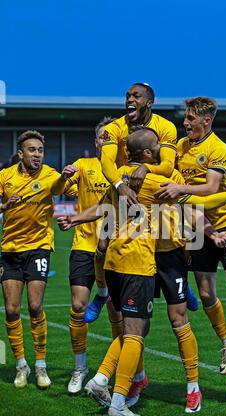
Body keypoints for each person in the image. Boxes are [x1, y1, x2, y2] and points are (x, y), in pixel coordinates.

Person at [58, 128, 226, 416]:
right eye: (158, 145)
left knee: (166, 320)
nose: (164, 148)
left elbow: (104, 209)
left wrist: (207, 234)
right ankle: (122, 389)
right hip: (140, 259)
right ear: (147, 152)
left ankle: (189, 386)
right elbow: (200, 204)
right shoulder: (158, 181)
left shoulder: (121, 179)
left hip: (152, 256)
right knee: (137, 330)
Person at [154, 97, 226, 373]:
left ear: (206, 121)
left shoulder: (218, 148)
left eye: (191, 119)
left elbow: (211, 189)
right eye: (185, 118)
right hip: (196, 227)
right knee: (206, 295)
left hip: (225, 224)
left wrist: (180, 191)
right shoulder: (180, 147)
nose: (185, 123)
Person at [89, 83, 199, 318]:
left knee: (178, 238)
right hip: (120, 193)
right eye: (128, 95)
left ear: (148, 102)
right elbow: (106, 162)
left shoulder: (165, 127)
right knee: (101, 247)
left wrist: (146, 168)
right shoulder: (114, 128)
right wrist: (120, 185)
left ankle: (182, 283)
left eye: (136, 96)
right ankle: (101, 293)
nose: (130, 98)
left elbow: (168, 167)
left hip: (151, 191)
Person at [0, 130, 77, 389]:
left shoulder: (52, 174)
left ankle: (41, 366)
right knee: (11, 309)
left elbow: (58, 189)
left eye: (40, 150)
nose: (37, 154)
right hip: (10, 250)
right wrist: (4, 207)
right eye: (32, 150)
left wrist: (66, 178)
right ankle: (21, 365)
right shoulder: (5, 176)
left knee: (34, 307)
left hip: (38, 248)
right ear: (20, 154)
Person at [59, 118, 123, 395]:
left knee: (117, 314)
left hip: (115, 248)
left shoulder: (121, 171)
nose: (105, 141)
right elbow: (61, 188)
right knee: (78, 306)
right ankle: (80, 367)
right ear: (95, 141)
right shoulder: (84, 166)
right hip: (85, 245)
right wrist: (64, 176)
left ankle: (119, 370)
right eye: (101, 137)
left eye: (109, 137)